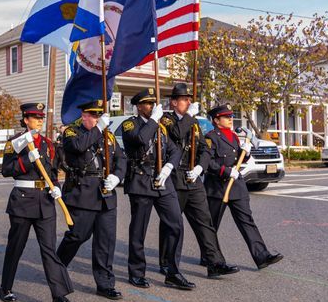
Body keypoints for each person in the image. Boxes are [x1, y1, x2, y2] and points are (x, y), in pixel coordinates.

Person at [0, 102, 77, 302]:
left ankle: (58, 296)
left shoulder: (48, 145)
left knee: (49, 249)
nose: (40, 120)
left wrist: (57, 188)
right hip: (23, 201)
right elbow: (6, 170)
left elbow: (51, 173)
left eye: (41, 117)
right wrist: (25, 160)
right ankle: (5, 287)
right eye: (35, 117)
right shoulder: (15, 142)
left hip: (45, 202)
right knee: (16, 247)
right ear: (25, 119)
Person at [159, 83, 240, 279]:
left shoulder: (193, 122)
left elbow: (205, 149)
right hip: (174, 177)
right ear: (174, 102)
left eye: (189, 99)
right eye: (184, 99)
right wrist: (190, 117)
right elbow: (177, 134)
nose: (188, 102)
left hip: (193, 178)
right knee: (172, 224)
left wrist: (199, 168)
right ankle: (168, 263)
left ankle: (215, 263)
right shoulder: (166, 120)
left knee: (205, 222)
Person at [121, 88, 195, 290]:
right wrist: (153, 121)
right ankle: (136, 272)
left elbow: (174, 150)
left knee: (175, 224)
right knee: (139, 230)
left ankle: (171, 270)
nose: (151, 106)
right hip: (141, 180)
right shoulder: (130, 125)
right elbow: (140, 140)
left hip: (163, 181)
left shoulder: (161, 128)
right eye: (146, 103)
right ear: (138, 106)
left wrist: (169, 167)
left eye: (153, 103)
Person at [56, 99, 126, 301]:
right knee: (77, 236)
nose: (97, 119)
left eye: (98, 116)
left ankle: (105, 283)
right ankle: (57, 268)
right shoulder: (72, 132)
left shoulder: (108, 136)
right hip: (83, 193)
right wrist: (99, 129)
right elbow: (78, 147)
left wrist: (117, 177)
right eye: (93, 116)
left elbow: (122, 159)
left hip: (106, 193)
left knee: (106, 241)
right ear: (84, 116)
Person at [204, 102, 284, 270]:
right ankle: (209, 256)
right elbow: (208, 162)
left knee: (247, 221)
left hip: (236, 187)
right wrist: (225, 172)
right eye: (226, 117)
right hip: (218, 187)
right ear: (217, 120)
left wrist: (245, 152)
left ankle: (261, 255)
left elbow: (237, 159)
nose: (230, 119)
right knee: (211, 225)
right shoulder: (210, 137)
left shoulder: (232, 136)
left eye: (231, 116)